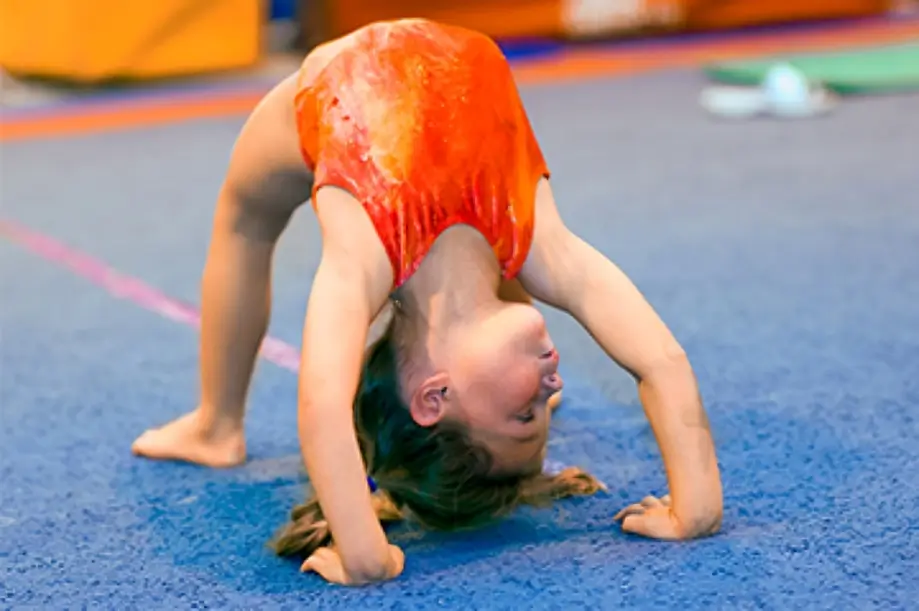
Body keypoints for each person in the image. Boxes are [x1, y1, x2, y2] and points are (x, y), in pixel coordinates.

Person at [131, 18, 723, 586]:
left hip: (321, 94)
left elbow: (321, 404)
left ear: (435, 397)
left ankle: (216, 425)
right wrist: (694, 506)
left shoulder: (367, 255)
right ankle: (220, 426)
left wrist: (363, 554)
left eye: (523, 414)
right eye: (546, 407)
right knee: (497, 279)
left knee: (245, 222)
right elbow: (658, 361)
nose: (551, 387)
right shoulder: (536, 242)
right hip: (436, 122)